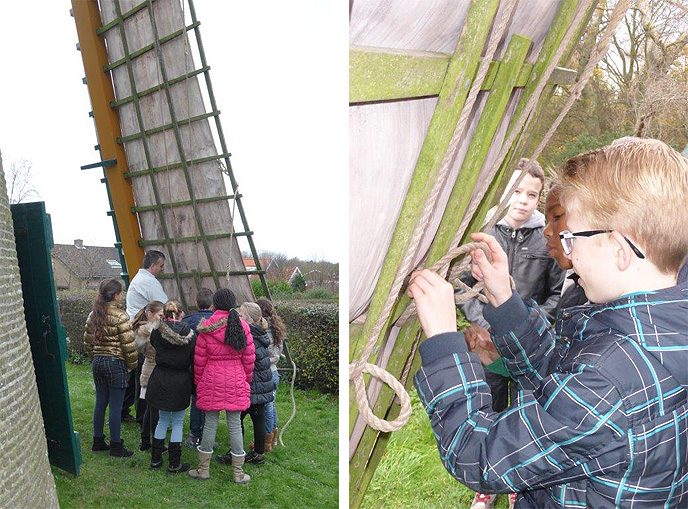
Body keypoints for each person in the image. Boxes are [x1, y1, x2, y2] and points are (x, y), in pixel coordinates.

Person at [408, 138, 688, 508]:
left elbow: (477, 454)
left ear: (620, 251)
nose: (564, 249)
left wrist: (445, 342)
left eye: (571, 238)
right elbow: (561, 382)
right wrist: (506, 303)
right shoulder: (652, 332)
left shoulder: (611, 380)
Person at [460, 160, 565, 509]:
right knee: (491, 403)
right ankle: (487, 487)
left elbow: (555, 292)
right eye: (516, 191)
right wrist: (486, 323)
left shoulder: (545, 236)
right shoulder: (482, 232)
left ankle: (520, 480)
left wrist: (529, 322)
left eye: (531, 194)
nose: (522, 200)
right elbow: (463, 284)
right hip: (489, 344)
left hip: (529, 344)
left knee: (526, 411)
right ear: (503, 193)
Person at [188, 288, 254, 484]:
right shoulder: (242, 325)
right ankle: (238, 473)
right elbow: (249, 358)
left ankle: (203, 470)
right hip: (236, 377)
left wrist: (200, 382)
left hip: (211, 377)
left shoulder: (207, 327)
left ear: (214, 305)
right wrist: (245, 379)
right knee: (235, 425)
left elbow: (199, 360)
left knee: (210, 423)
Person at [83, 278, 137, 457]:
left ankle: (98, 441)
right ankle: (116, 445)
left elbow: (87, 343)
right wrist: (131, 366)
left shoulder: (93, 314)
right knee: (115, 406)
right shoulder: (121, 316)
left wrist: (95, 359)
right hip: (115, 363)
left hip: (98, 362)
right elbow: (128, 345)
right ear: (116, 295)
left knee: (100, 403)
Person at [145, 301, 195, 473]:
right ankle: (174, 464)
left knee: (162, 420)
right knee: (178, 422)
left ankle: (156, 460)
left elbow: (153, 344)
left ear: (164, 314)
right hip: (180, 380)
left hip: (160, 378)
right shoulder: (190, 335)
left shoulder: (157, 332)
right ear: (181, 313)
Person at [124, 250, 169, 425]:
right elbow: (165, 306)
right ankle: (143, 416)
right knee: (144, 377)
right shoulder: (149, 282)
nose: (162, 269)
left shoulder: (139, 278)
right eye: (161, 265)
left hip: (136, 332)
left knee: (136, 375)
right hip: (145, 335)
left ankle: (128, 410)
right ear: (152, 265)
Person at [228, 302, 273, 466]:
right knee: (256, 419)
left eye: (241, 315)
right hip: (259, 385)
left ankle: (236, 452)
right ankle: (257, 454)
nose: (238, 318)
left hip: (253, 385)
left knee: (237, 419)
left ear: (249, 320)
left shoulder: (249, 336)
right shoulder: (259, 333)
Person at [182, 288, 215, 448]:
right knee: (210, 402)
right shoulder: (218, 321)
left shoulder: (188, 321)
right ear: (212, 304)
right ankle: (208, 435)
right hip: (212, 367)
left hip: (192, 366)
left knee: (196, 400)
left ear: (196, 303)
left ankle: (195, 434)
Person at [131, 300, 164, 452]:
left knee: (149, 409)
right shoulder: (150, 332)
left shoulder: (143, 330)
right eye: (160, 315)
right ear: (150, 313)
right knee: (153, 410)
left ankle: (145, 441)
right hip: (152, 373)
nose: (162, 318)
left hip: (146, 372)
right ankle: (155, 442)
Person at [257, 297, 286, 451]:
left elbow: (264, 354)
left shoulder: (263, 330)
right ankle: (272, 438)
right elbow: (276, 354)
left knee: (267, 407)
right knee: (271, 405)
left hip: (265, 374)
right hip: (274, 373)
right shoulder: (276, 328)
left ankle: (266, 442)